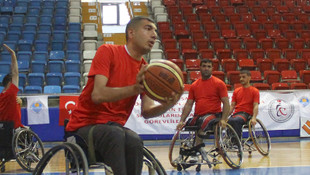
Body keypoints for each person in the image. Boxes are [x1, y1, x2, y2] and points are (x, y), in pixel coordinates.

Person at [65, 16, 180, 175]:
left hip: (114, 131)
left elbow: (147, 111)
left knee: (133, 139)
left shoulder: (147, 71)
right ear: (131, 33)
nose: (154, 35)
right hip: (82, 129)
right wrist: (135, 88)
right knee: (117, 134)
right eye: (148, 29)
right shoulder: (108, 51)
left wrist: (169, 103)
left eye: (155, 31)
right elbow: (97, 95)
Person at [176, 59, 230, 145]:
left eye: (209, 66)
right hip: (199, 115)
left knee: (203, 122)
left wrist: (224, 119)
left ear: (212, 68)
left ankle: (198, 147)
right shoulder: (194, 85)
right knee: (189, 123)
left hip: (214, 115)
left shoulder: (219, 83)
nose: (206, 68)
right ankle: (193, 147)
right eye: (204, 66)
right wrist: (182, 121)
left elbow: (226, 103)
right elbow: (188, 104)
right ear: (200, 68)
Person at [228, 70, 260, 139]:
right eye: (240, 77)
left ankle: (237, 141)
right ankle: (230, 140)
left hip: (247, 114)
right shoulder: (236, 91)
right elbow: (232, 105)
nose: (241, 79)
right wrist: (225, 116)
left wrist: (254, 117)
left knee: (236, 120)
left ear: (249, 78)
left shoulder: (254, 91)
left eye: (243, 77)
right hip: (237, 114)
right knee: (229, 121)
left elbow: (255, 105)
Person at [0, 44, 24, 129]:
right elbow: (15, 73)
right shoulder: (11, 93)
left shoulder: (3, 97)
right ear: (10, 82)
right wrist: (13, 55)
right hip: (14, 127)